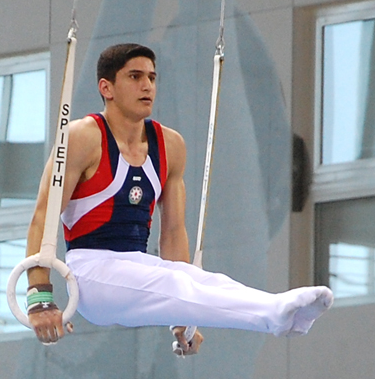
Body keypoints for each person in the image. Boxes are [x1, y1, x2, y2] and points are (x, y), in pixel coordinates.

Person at [25, 43, 333, 354]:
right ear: (107, 88)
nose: (147, 85)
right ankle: (274, 313)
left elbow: (172, 232)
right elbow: (43, 217)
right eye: (134, 76)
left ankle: (283, 314)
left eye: (152, 77)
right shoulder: (83, 137)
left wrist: (184, 318)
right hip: (91, 276)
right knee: (176, 285)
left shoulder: (169, 145)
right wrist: (39, 296)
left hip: (140, 265)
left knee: (202, 280)